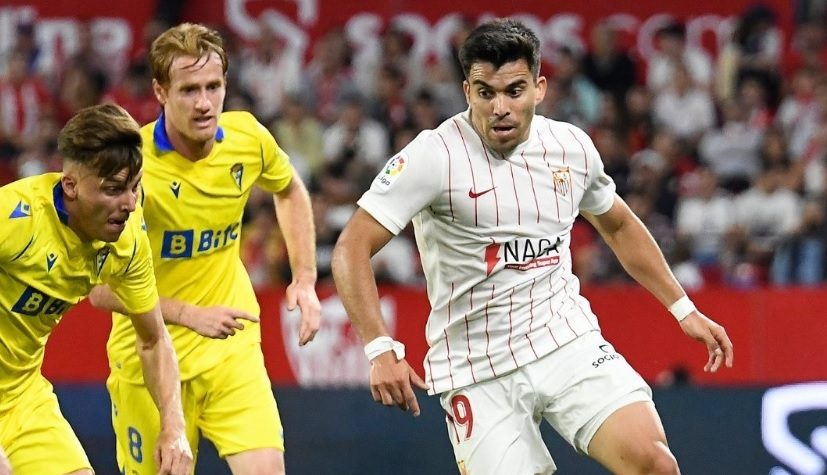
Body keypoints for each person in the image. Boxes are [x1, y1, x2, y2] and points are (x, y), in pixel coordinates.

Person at [331, 18, 733, 475]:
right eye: (486, 93)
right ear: (466, 92)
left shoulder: (571, 147)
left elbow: (619, 225)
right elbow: (351, 247)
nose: (500, 107)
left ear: (539, 89)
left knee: (655, 464)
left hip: (564, 338)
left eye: (514, 91)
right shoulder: (433, 155)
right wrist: (379, 347)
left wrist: (683, 308)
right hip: (477, 367)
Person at [90, 23, 320, 474]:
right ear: (160, 91)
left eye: (213, 87)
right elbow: (99, 290)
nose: (204, 103)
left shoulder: (247, 138)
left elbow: (289, 189)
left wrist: (305, 277)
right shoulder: (130, 169)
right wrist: (188, 314)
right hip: (149, 359)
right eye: (189, 89)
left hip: (230, 348)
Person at [0, 104, 192, 474]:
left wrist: (174, 428)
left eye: (135, 187)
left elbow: (153, 340)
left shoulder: (127, 240)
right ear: (70, 185)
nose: (130, 204)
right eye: (113, 189)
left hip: (21, 397)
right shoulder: (14, 220)